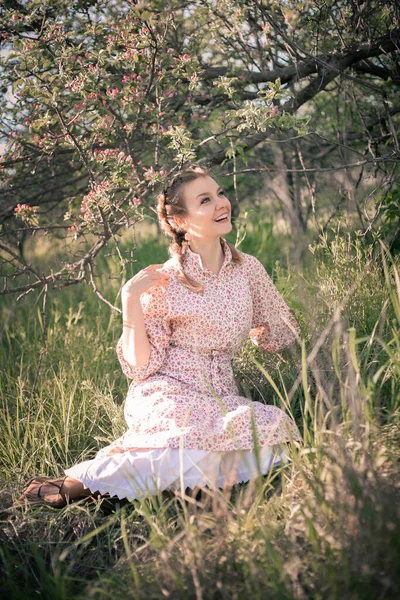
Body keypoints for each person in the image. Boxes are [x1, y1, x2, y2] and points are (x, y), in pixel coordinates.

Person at [14, 164, 302, 508]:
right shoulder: (164, 281)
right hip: (167, 391)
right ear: (180, 221)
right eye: (206, 200)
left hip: (220, 395)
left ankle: (150, 489)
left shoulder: (248, 269)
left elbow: (277, 331)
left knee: (274, 428)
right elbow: (140, 368)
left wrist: (312, 371)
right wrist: (129, 300)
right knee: (184, 440)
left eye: (220, 193)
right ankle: (74, 485)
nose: (221, 203)